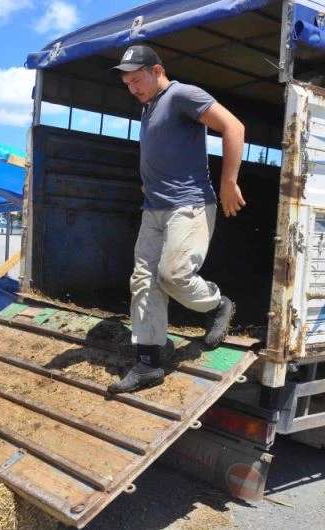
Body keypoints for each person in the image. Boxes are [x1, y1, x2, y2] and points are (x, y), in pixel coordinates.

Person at [107, 45, 245, 394]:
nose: (132, 89)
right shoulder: (149, 107)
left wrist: (229, 182)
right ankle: (148, 363)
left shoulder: (183, 95)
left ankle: (217, 303)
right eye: (127, 83)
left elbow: (233, 126)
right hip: (153, 208)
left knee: (173, 275)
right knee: (143, 281)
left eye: (137, 80)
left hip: (189, 204)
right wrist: (149, 182)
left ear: (157, 71)